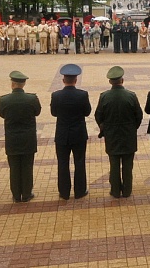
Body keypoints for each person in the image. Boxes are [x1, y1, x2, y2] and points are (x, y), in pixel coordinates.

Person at [94, 66, 143, 198]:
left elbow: (98, 116)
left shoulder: (104, 96)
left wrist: (104, 127)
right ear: (122, 80)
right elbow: (139, 115)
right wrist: (132, 128)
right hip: (128, 135)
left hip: (111, 136)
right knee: (128, 165)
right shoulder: (131, 96)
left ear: (110, 82)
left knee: (114, 164)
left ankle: (115, 191)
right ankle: (127, 191)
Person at [0, 71, 42, 202]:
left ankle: (16, 194)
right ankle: (27, 193)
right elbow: (37, 112)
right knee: (27, 166)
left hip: (12, 138)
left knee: (14, 167)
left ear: (12, 84)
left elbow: (2, 114)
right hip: (28, 138)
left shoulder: (4, 100)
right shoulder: (32, 99)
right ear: (24, 84)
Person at [50, 64, 91, 200]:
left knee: (62, 163)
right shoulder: (82, 95)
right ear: (75, 80)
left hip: (62, 134)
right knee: (80, 162)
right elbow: (87, 112)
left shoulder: (56, 95)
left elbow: (54, 113)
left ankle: (64, 192)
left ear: (63, 81)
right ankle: (79, 191)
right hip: (78, 134)